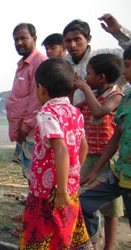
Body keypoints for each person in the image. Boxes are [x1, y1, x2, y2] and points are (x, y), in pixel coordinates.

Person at [19, 58, 91, 249]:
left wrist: (60, 190)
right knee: (64, 233)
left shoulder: (47, 113)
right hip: (69, 188)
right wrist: (71, 175)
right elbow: (84, 147)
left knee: (41, 236)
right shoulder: (74, 112)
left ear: (41, 89)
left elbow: (60, 149)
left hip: (48, 191)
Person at [80, 46, 131, 249]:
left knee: (112, 212)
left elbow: (101, 112)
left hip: (114, 167)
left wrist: (83, 88)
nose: (124, 73)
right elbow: (115, 139)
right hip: (114, 169)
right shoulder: (126, 101)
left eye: (127, 66)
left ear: (101, 77)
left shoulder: (117, 96)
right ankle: (90, 243)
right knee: (84, 203)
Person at [6, 23, 47, 185]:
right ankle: (33, 208)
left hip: (32, 131)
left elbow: (37, 101)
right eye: (16, 39)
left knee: (36, 175)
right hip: (24, 133)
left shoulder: (39, 63)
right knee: (30, 174)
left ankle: (37, 210)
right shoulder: (24, 64)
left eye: (23, 38)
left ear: (34, 38)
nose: (19, 43)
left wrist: (24, 128)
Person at [62, 17, 129, 105]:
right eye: (68, 41)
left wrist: (118, 32)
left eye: (77, 39)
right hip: (76, 115)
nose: (72, 45)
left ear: (88, 39)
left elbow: (129, 53)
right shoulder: (62, 65)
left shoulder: (107, 56)